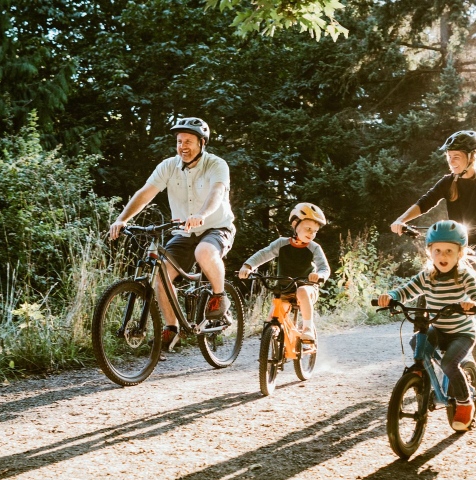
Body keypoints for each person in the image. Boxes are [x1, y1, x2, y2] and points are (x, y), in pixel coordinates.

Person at [108, 117, 235, 351]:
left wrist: (202, 214)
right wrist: (122, 219)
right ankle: (172, 328)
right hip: (184, 232)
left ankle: (219, 296)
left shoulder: (216, 165)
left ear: (202, 143)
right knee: (160, 275)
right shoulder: (168, 166)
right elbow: (146, 193)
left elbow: (217, 193)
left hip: (216, 226)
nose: (182, 146)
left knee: (204, 251)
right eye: (179, 141)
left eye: (188, 141)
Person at [390, 130, 476, 335]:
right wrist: (401, 220)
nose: (451, 161)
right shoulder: (448, 182)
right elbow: (425, 202)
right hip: (458, 245)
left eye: (456, 156)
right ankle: (427, 318)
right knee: (434, 265)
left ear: (472, 156)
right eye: (449, 157)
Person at [376, 220, 476, 431]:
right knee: (416, 341)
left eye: (448, 251)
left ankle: (464, 402)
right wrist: (390, 297)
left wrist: (473, 305)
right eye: (437, 251)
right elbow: (404, 291)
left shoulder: (465, 277)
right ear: (429, 252)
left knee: (448, 364)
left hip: (462, 333)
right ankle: (422, 377)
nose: (442, 256)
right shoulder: (427, 277)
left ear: (459, 253)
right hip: (440, 328)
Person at [238, 203, 331, 341]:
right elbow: (264, 253)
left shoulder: (314, 248)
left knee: (302, 291)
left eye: (315, 231)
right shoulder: (282, 244)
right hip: (284, 289)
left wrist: (319, 275)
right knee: (272, 320)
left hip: (307, 288)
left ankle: (308, 328)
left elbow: (324, 268)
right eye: (308, 229)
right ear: (295, 224)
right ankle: (270, 357)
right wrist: (248, 266)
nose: (312, 234)